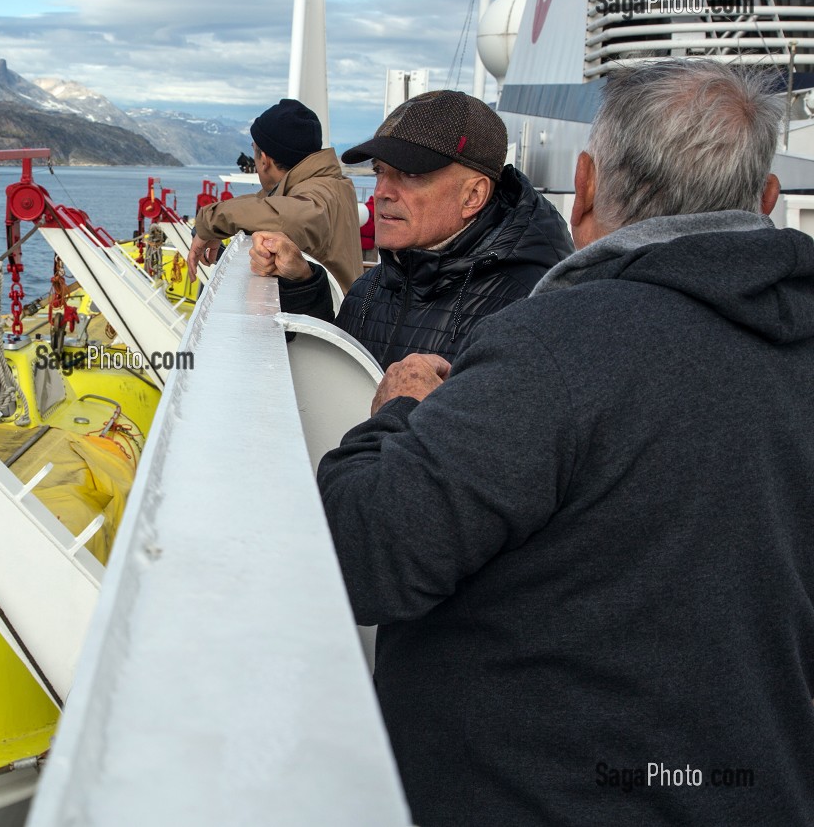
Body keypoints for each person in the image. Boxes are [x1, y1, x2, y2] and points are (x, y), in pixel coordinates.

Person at [314, 58, 814, 824]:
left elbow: (362, 548)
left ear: (584, 187)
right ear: (768, 199)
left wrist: (393, 413)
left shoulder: (556, 346)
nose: (382, 192)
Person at [255, 90, 573, 367]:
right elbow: (343, 383)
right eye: (380, 171)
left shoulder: (530, 309)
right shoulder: (374, 287)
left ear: (473, 195)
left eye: (410, 174)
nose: (381, 192)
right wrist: (303, 284)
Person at [188, 99, 363, 293]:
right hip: (347, 314)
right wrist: (217, 228)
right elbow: (268, 201)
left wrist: (210, 220)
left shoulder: (318, 193)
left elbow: (295, 218)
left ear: (264, 160)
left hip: (333, 320)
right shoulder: (332, 184)